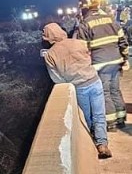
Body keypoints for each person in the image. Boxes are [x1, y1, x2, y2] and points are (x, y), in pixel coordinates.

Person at [42, 22, 112, 159]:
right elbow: (89, 58)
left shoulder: (50, 55)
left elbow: (56, 78)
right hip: (94, 81)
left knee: (86, 118)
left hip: (79, 87)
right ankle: (102, 144)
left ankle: (92, 143)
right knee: (99, 115)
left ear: (47, 37)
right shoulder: (79, 42)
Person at [76, 0, 129, 131]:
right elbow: (123, 41)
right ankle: (121, 118)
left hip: (100, 64)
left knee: (105, 92)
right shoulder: (110, 19)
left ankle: (110, 123)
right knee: (115, 90)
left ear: (84, 8)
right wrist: (125, 59)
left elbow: (82, 49)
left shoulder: (84, 24)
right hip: (116, 61)